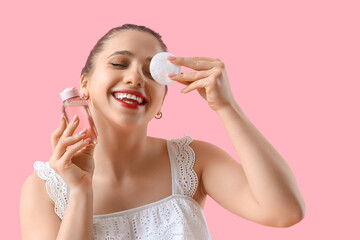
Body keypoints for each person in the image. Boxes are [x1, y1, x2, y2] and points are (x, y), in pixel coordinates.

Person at [20, 24, 306, 239]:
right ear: (84, 84)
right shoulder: (43, 189)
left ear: (162, 99)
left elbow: (284, 211)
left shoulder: (194, 161)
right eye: (119, 64)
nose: (135, 78)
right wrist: (81, 192)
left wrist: (227, 107)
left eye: (150, 72)